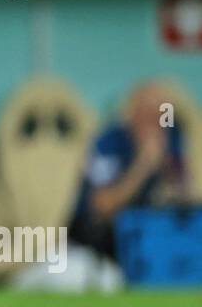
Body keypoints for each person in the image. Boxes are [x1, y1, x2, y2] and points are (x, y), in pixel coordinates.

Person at [68, 81, 189, 264]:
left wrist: (166, 168)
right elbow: (102, 207)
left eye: (160, 116)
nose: (154, 123)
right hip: (99, 243)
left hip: (151, 239)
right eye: (147, 114)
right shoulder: (109, 143)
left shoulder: (172, 140)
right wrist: (142, 167)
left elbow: (186, 198)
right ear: (133, 113)